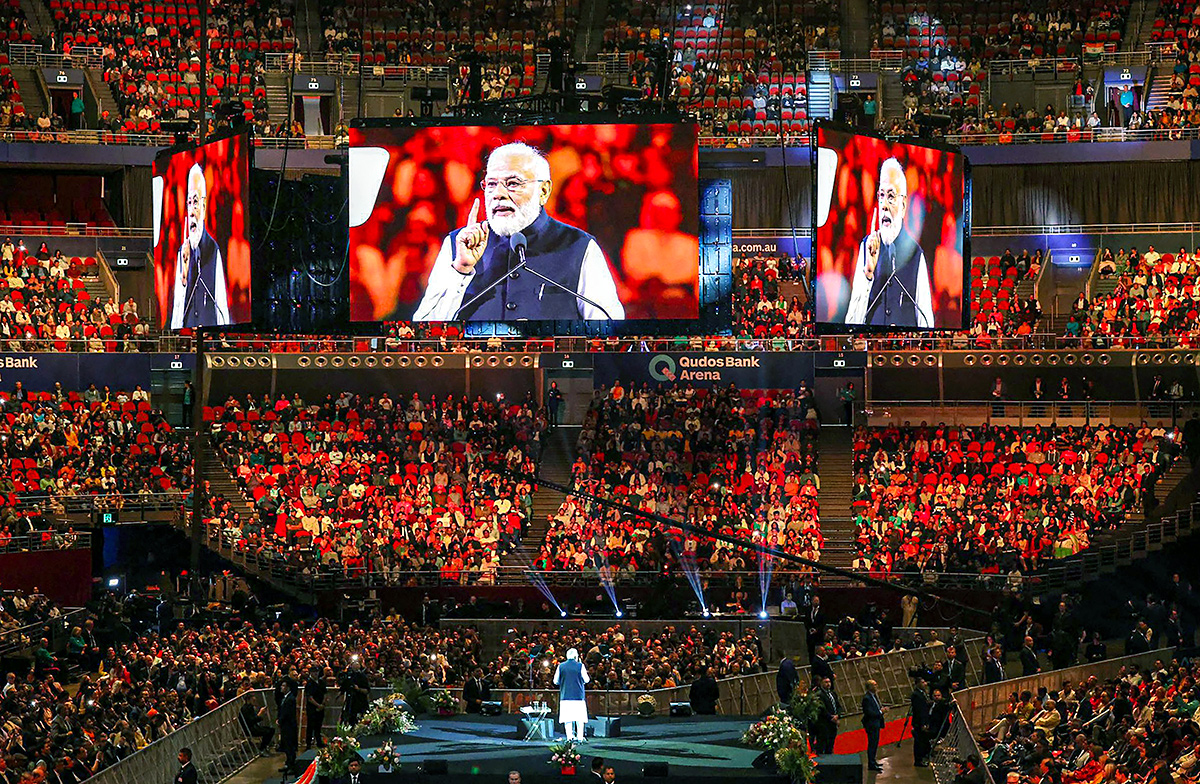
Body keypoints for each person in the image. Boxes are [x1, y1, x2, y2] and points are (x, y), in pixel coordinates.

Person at [413, 142, 625, 321]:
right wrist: (461, 269)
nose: (498, 194)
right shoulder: (457, 245)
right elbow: (423, 330)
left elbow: (609, 330)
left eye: (513, 183)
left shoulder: (579, 246)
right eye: (491, 184)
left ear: (543, 191)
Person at [844, 157, 934, 328]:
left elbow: (926, 323)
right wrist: (868, 274)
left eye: (891, 196)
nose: (884, 205)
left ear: (904, 205)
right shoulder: (866, 247)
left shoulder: (916, 255)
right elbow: (852, 323)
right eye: (881, 196)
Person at [170, 163, 231, 328]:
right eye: (189, 203)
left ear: (203, 207)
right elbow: (177, 311)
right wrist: (184, 274)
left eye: (195, 202)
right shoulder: (182, 252)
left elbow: (222, 307)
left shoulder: (214, 250)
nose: (191, 212)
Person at [553, 647, 591, 741]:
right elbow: (587, 680)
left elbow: (555, 681)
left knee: (567, 719)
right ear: (575, 656)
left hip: (565, 696)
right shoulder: (580, 666)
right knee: (579, 719)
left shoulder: (561, 666)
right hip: (578, 696)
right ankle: (580, 738)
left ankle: (569, 737)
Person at [861, 679, 885, 772]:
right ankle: (871, 763)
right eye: (874, 685)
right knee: (872, 744)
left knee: (875, 744)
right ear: (869, 687)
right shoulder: (867, 698)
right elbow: (869, 712)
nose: (876, 686)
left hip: (876, 723)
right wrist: (880, 712)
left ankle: (873, 761)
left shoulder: (874, 696)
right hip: (871, 724)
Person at [814, 675, 840, 755]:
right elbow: (822, 709)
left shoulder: (833, 693)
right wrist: (831, 717)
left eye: (829, 682)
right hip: (824, 724)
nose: (828, 684)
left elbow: (838, 706)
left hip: (833, 723)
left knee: (830, 745)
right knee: (822, 744)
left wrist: (838, 715)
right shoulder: (819, 695)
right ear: (821, 683)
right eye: (826, 682)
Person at [277, 678, 299, 776]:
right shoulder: (285, 698)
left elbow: (287, 713)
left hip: (289, 725)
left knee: (290, 746)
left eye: (283, 686)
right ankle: (288, 763)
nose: (281, 688)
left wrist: (280, 720)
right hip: (285, 725)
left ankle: (292, 765)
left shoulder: (290, 699)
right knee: (286, 745)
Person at [304, 665, 326, 749]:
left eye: (317, 672)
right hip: (312, 708)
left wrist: (323, 704)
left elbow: (324, 693)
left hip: (320, 706)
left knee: (318, 726)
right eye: (314, 672)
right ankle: (308, 743)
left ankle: (319, 742)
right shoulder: (309, 684)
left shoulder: (321, 682)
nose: (316, 673)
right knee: (310, 726)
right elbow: (309, 697)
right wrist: (317, 705)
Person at [910, 674, 931, 767]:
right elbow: (919, 710)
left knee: (923, 740)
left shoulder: (922, 693)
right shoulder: (916, 695)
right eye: (922, 682)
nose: (925, 684)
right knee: (918, 742)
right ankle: (918, 760)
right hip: (919, 722)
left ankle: (923, 756)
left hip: (923, 719)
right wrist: (923, 723)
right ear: (918, 684)